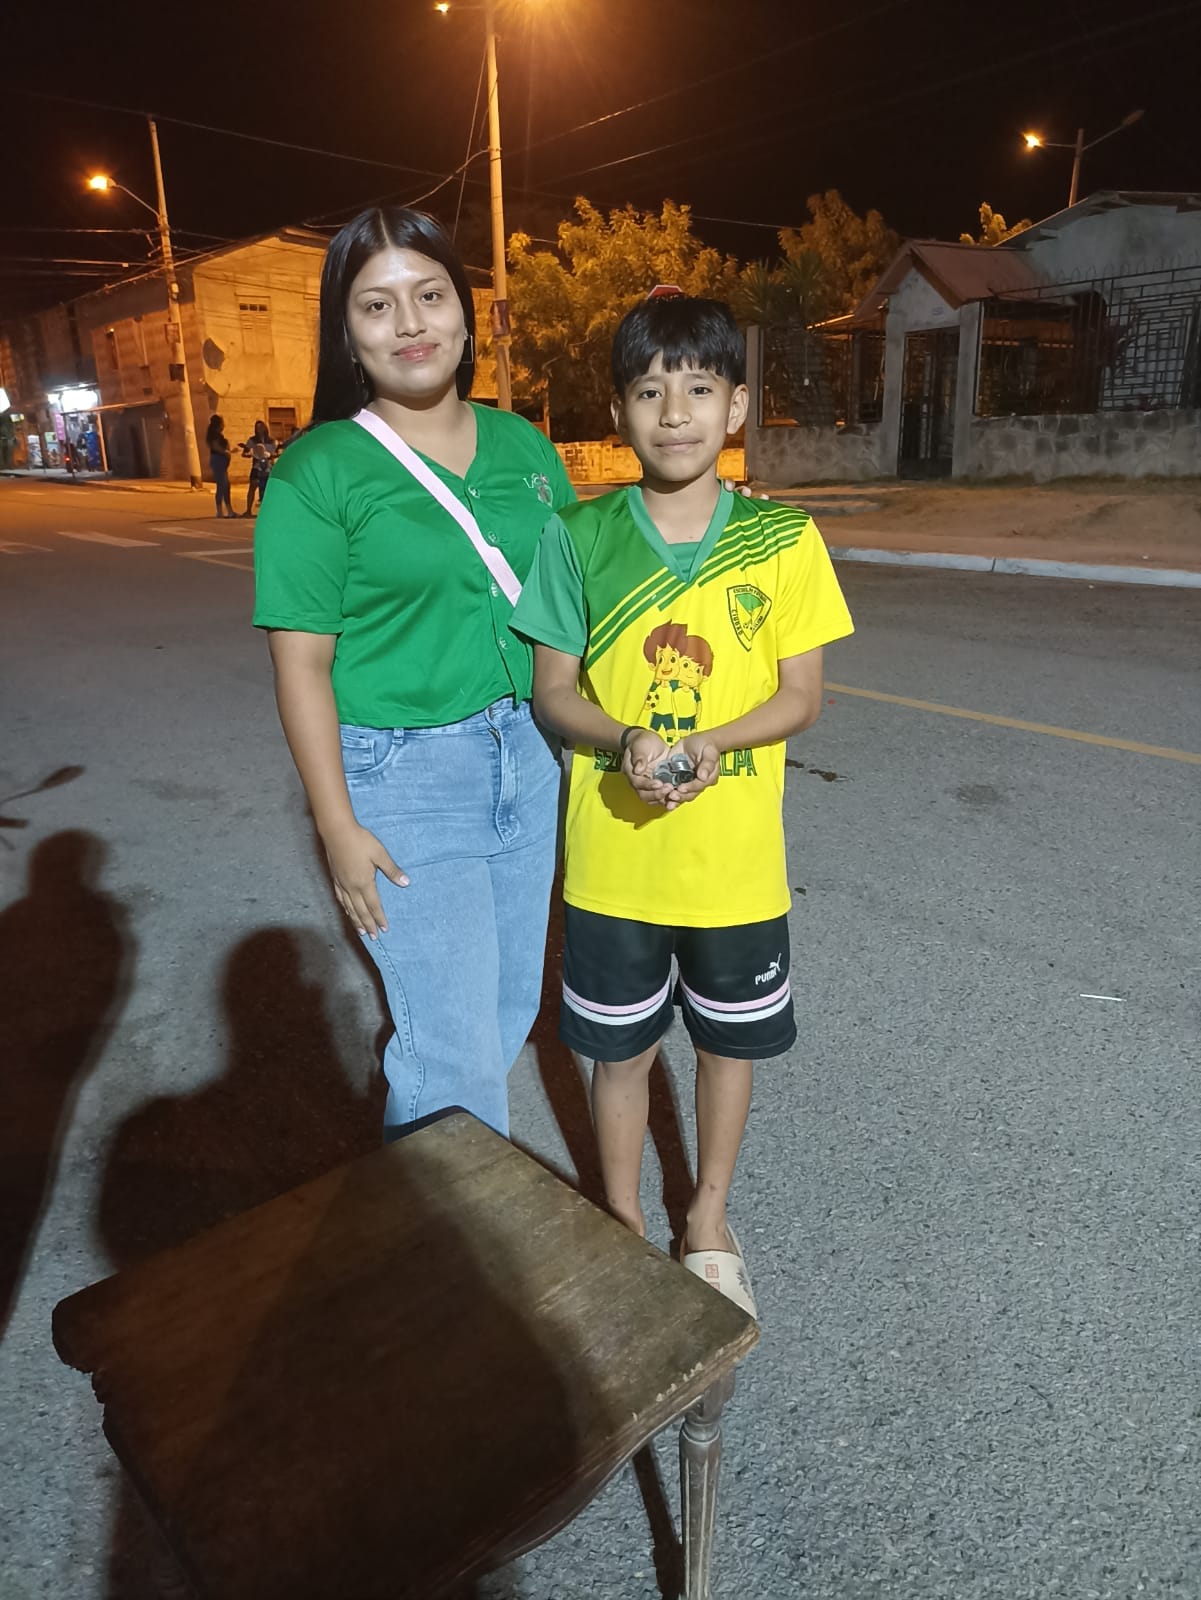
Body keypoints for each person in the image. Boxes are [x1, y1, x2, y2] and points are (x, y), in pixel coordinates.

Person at [512, 295, 854, 1316]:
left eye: (698, 388)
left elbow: (800, 696)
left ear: (736, 407)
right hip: (613, 865)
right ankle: (619, 1218)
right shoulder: (576, 535)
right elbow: (552, 691)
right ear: (618, 410)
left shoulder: (783, 539)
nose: (674, 412)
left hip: (734, 870)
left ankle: (706, 1215)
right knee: (616, 1054)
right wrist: (626, 738)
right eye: (648, 390)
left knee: (724, 1047)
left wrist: (714, 742)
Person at [252, 206, 575, 1139]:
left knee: (506, 1011)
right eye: (376, 305)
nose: (409, 324)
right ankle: (449, 1231)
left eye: (429, 296)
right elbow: (301, 665)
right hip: (404, 777)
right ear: (347, 333)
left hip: (529, 753)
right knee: (451, 1053)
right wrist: (336, 826)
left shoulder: (524, 447)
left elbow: (570, 601)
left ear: (465, 313)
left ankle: (429, 1202)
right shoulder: (318, 470)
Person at [241, 420, 277, 516]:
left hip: (268, 468)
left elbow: (275, 453)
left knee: (267, 489)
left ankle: (268, 511)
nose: (259, 429)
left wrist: (270, 456)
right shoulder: (252, 440)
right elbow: (244, 453)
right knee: (252, 487)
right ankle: (248, 510)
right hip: (256, 467)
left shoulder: (271, 441)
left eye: (261, 427)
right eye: (257, 428)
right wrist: (249, 454)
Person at [206, 414, 235, 518]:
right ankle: (221, 511)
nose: (223, 425)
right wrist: (226, 452)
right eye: (222, 423)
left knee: (224, 485)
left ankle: (227, 510)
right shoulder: (214, 435)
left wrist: (229, 451)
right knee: (223, 485)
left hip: (221, 460)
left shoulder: (219, 435)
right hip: (218, 460)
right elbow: (216, 447)